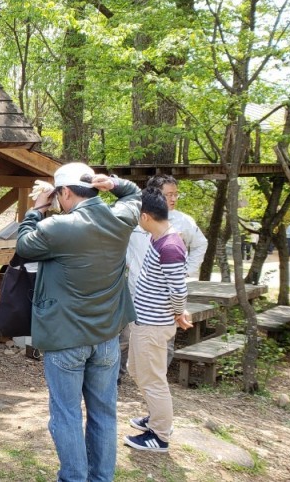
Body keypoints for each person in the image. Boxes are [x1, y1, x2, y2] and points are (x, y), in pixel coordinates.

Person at [16, 162, 141, 482]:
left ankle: (73, 478)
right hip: (107, 337)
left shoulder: (58, 227)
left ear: (66, 192)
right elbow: (135, 193)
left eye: (58, 195)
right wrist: (112, 183)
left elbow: (24, 245)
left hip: (66, 339)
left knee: (67, 415)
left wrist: (37, 208)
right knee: (104, 414)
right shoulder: (120, 219)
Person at [120, 174, 207, 380]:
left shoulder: (183, 222)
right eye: (169, 194)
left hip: (162, 299)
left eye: (176, 194)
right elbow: (120, 244)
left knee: (163, 342)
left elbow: (200, 245)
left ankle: (158, 379)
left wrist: (184, 270)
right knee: (124, 338)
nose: (174, 199)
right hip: (134, 289)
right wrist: (128, 261)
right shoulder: (136, 218)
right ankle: (119, 376)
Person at [125, 188, 192, 453]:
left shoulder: (170, 246)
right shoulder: (159, 239)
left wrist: (178, 311)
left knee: (153, 380)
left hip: (153, 325)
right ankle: (156, 417)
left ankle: (160, 435)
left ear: (145, 216)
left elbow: (179, 290)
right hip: (144, 322)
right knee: (136, 370)